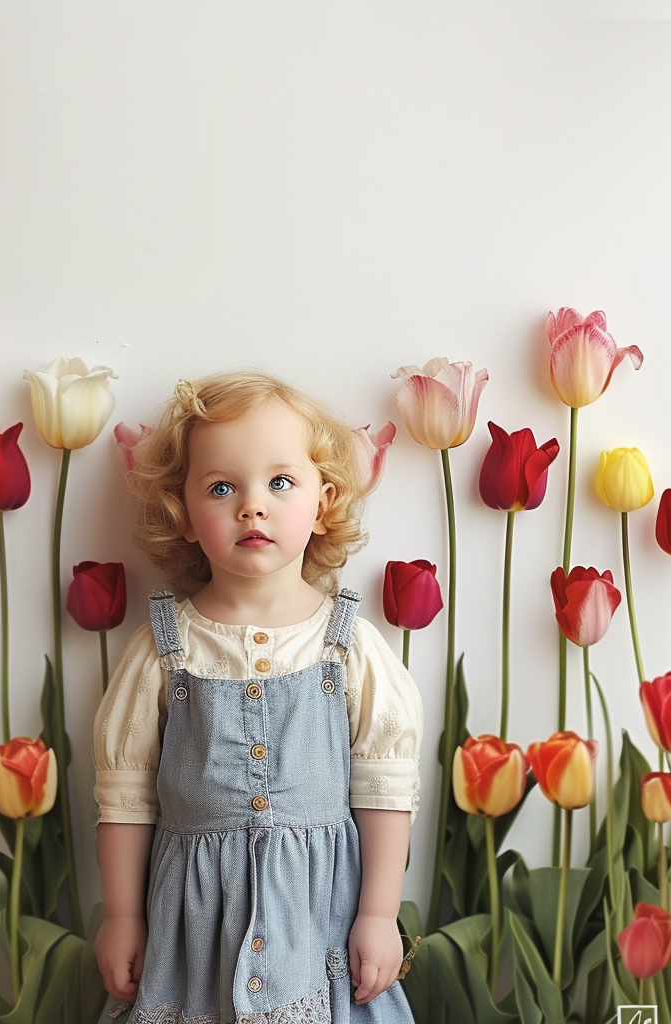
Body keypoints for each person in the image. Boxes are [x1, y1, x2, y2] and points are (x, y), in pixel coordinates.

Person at [92, 369, 423, 1022]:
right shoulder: (166, 648)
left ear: (323, 500)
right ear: (184, 515)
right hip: (192, 934)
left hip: (317, 928)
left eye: (280, 482)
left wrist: (380, 915)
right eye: (221, 488)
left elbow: (386, 786)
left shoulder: (348, 644)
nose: (252, 506)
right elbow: (124, 794)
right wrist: (123, 916)